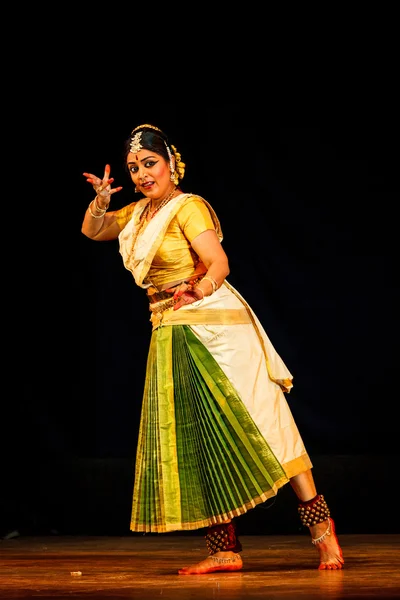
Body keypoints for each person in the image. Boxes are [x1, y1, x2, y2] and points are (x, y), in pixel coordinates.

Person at [81, 123, 344, 574]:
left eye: (150, 164)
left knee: (267, 423)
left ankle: (323, 534)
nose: (143, 174)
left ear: (171, 164)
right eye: (134, 168)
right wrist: (103, 200)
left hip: (214, 325)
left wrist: (199, 288)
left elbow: (219, 262)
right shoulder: (140, 213)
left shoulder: (188, 208)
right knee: (198, 438)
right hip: (168, 328)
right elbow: (94, 231)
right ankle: (224, 550)